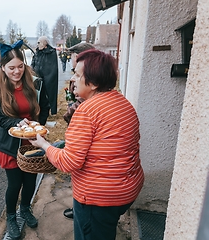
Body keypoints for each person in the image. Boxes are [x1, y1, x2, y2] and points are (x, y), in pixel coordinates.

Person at [29, 49, 144, 240]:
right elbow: (105, 142)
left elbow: (68, 163)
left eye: (77, 74)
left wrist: (43, 144)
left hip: (99, 199)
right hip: (127, 189)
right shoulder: (122, 102)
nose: (72, 79)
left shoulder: (87, 111)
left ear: (94, 83)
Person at [0, 40, 50, 239]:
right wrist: (18, 123)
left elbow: (44, 108)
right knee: (14, 184)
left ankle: (25, 209)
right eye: (11, 68)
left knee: (30, 180)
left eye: (20, 67)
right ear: (3, 68)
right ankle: (10, 217)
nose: (17, 72)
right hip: (11, 145)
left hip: (33, 142)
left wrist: (37, 129)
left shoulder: (35, 83)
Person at [62, 42, 95, 220]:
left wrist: (46, 147)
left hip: (96, 193)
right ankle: (78, 206)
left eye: (74, 56)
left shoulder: (87, 109)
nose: (72, 60)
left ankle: (80, 208)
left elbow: (70, 161)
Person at [31, 36, 59, 115]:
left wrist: (47, 77)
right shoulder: (37, 53)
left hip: (48, 78)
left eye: (39, 42)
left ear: (45, 43)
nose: (37, 44)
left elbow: (51, 67)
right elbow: (33, 63)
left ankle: (50, 109)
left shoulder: (51, 53)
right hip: (37, 78)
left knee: (48, 94)